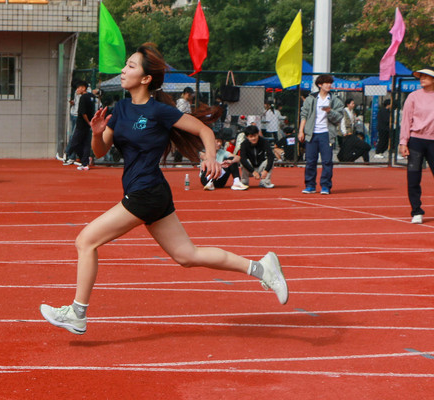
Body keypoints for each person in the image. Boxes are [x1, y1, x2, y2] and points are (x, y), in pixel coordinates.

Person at [39, 43, 288, 335]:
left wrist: (210, 157)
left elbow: (204, 130)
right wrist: (96, 133)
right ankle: (262, 268)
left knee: (86, 241)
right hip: (149, 192)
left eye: (131, 66)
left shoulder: (159, 111)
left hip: (146, 192)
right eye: (126, 65)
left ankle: (77, 313)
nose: (123, 70)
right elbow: (100, 151)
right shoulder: (120, 109)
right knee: (187, 256)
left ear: (146, 78)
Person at [398, 66, 434, 224]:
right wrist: (403, 142)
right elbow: (406, 120)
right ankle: (416, 211)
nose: (422, 79)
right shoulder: (413, 97)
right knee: (413, 177)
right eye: (421, 76)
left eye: (426, 76)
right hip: (416, 141)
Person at [298, 74, 344, 195]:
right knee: (310, 161)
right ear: (320, 85)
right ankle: (310, 185)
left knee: (327, 161)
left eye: (330, 83)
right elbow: (304, 115)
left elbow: (338, 117)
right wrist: (301, 131)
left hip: (326, 134)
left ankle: (325, 186)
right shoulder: (311, 99)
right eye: (326, 83)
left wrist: (330, 111)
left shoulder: (335, 100)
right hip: (312, 134)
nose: (329, 85)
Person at [63, 81, 96, 171]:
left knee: (75, 143)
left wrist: (88, 122)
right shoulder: (92, 97)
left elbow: (83, 112)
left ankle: (84, 160)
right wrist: (91, 122)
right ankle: (85, 163)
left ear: (83, 88)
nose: (77, 89)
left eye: (78, 88)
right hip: (89, 124)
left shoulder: (83, 98)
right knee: (86, 144)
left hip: (82, 124)